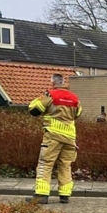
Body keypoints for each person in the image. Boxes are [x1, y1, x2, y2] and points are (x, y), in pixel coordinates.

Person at [27, 74, 81, 204]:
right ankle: (64, 195)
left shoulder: (50, 95)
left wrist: (41, 97)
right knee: (65, 165)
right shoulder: (74, 98)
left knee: (45, 164)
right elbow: (78, 114)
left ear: (52, 83)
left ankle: (41, 195)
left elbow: (34, 110)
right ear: (64, 83)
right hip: (70, 137)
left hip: (53, 135)